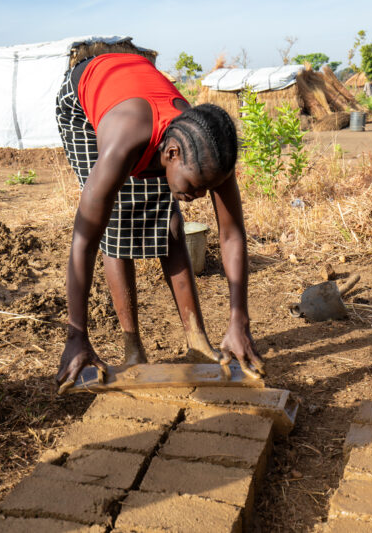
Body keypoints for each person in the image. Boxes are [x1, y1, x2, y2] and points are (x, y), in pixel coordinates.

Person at [54, 53, 265, 392]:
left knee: (169, 224)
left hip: (138, 91)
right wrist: (76, 335)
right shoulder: (123, 145)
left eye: (206, 188)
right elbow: (84, 240)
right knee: (116, 222)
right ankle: (133, 350)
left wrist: (239, 320)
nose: (198, 196)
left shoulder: (208, 146)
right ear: (170, 154)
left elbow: (232, 235)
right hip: (84, 98)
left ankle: (197, 343)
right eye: (195, 187)